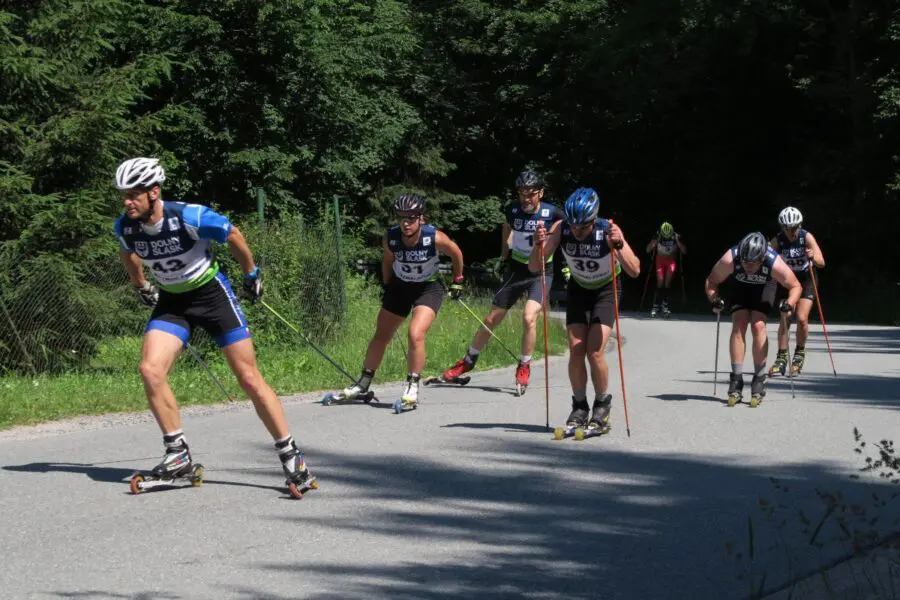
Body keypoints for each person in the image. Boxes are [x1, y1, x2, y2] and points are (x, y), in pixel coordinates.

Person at [112, 157, 315, 492]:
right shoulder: (126, 226)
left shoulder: (189, 216)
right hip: (173, 302)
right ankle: (177, 455)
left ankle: (292, 457)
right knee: (150, 369)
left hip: (212, 297)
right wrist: (140, 284)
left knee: (248, 377)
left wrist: (251, 274)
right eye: (123, 194)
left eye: (133, 194)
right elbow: (128, 252)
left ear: (153, 192)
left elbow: (233, 234)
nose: (127, 201)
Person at [440, 170, 564, 395]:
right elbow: (507, 229)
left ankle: (524, 365)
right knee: (491, 318)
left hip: (542, 272)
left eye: (531, 194)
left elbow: (563, 236)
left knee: (529, 317)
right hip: (516, 270)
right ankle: (468, 360)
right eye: (521, 194)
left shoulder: (553, 213)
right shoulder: (512, 209)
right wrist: (503, 255)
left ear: (541, 193)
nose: (526, 199)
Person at [530, 188, 640, 432]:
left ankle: (602, 404)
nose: (577, 232)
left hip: (605, 290)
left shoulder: (607, 230)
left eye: (583, 227)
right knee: (576, 350)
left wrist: (618, 245)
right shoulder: (561, 228)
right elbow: (535, 266)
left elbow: (635, 270)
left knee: (595, 352)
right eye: (574, 226)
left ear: (593, 220)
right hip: (579, 289)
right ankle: (579, 405)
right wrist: (537, 245)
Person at [341, 194, 465, 410]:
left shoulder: (433, 237)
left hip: (428, 288)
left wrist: (458, 280)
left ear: (421, 218)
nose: (406, 223)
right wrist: (387, 285)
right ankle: (363, 382)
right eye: (402, 218)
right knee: (381, 335)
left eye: (411, 218)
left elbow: (456, 253)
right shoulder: (391, 237)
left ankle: (412, 386)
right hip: (400, 286)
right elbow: (388, 260)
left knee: (415, 333)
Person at [704, 232, 802, 407]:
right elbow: (711, 281)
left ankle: (759, 378)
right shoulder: (731, 258)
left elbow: (795, 286)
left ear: (762, 257)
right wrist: (715, 299)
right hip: (740, 286)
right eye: (745, 262)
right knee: (739, 323)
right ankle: (736, 379)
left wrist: (789, 303)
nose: (748, 266)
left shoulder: (774, 262)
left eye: (752, 263)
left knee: (758, 325)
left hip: (765, 286)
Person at [767, 207, 825, 376]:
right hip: (788, 282)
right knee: (786, 316)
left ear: (799, 225)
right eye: (786, 228)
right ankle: (781, 357)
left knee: (801, 318)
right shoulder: (778, 240)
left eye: (794, 228)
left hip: (807, 279)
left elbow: (822, 262)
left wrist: (813, 255)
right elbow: (766, 257)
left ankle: (799, 354)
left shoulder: (806, 237)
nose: (790, 231)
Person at [645, 221, 687, 317]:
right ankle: (655, 306)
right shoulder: (657, 235)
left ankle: (665, 305)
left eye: (669, 236)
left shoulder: (676, 236)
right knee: (660, 281)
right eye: (665, 236)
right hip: (660, 260)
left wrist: (678, 242)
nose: (667, 238)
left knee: (667, 282)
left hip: (671, 261)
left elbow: (684, 251)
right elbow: (648, 249)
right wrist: (654, 242)